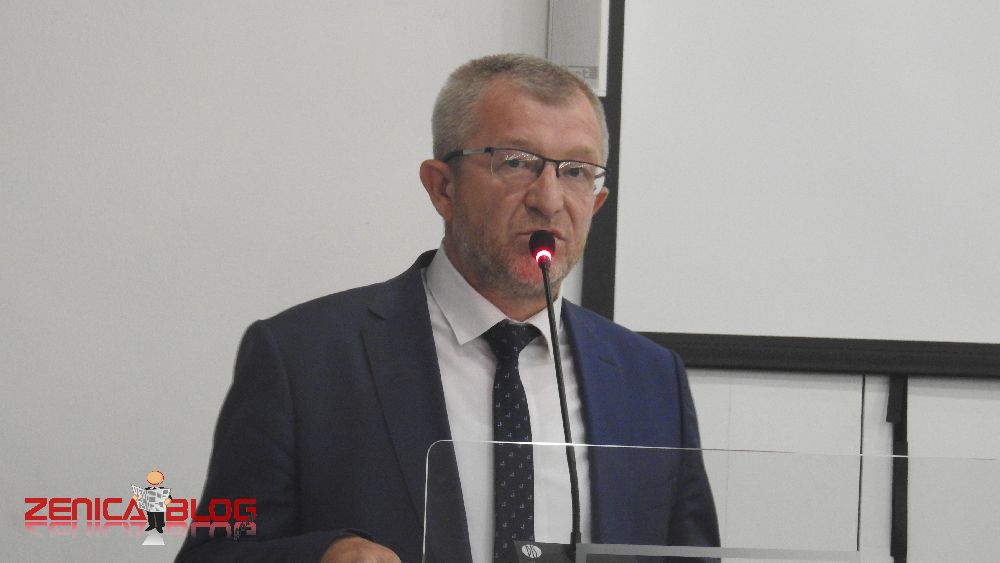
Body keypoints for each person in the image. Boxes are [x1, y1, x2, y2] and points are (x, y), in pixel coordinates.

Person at [176, 53, 718, 563]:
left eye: (575, 171)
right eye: (516, 162)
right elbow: (215, 554)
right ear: (442, 188)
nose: (549, 200)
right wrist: (323, 555)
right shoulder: (302, 359)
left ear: (596, 204)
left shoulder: (650, 381)